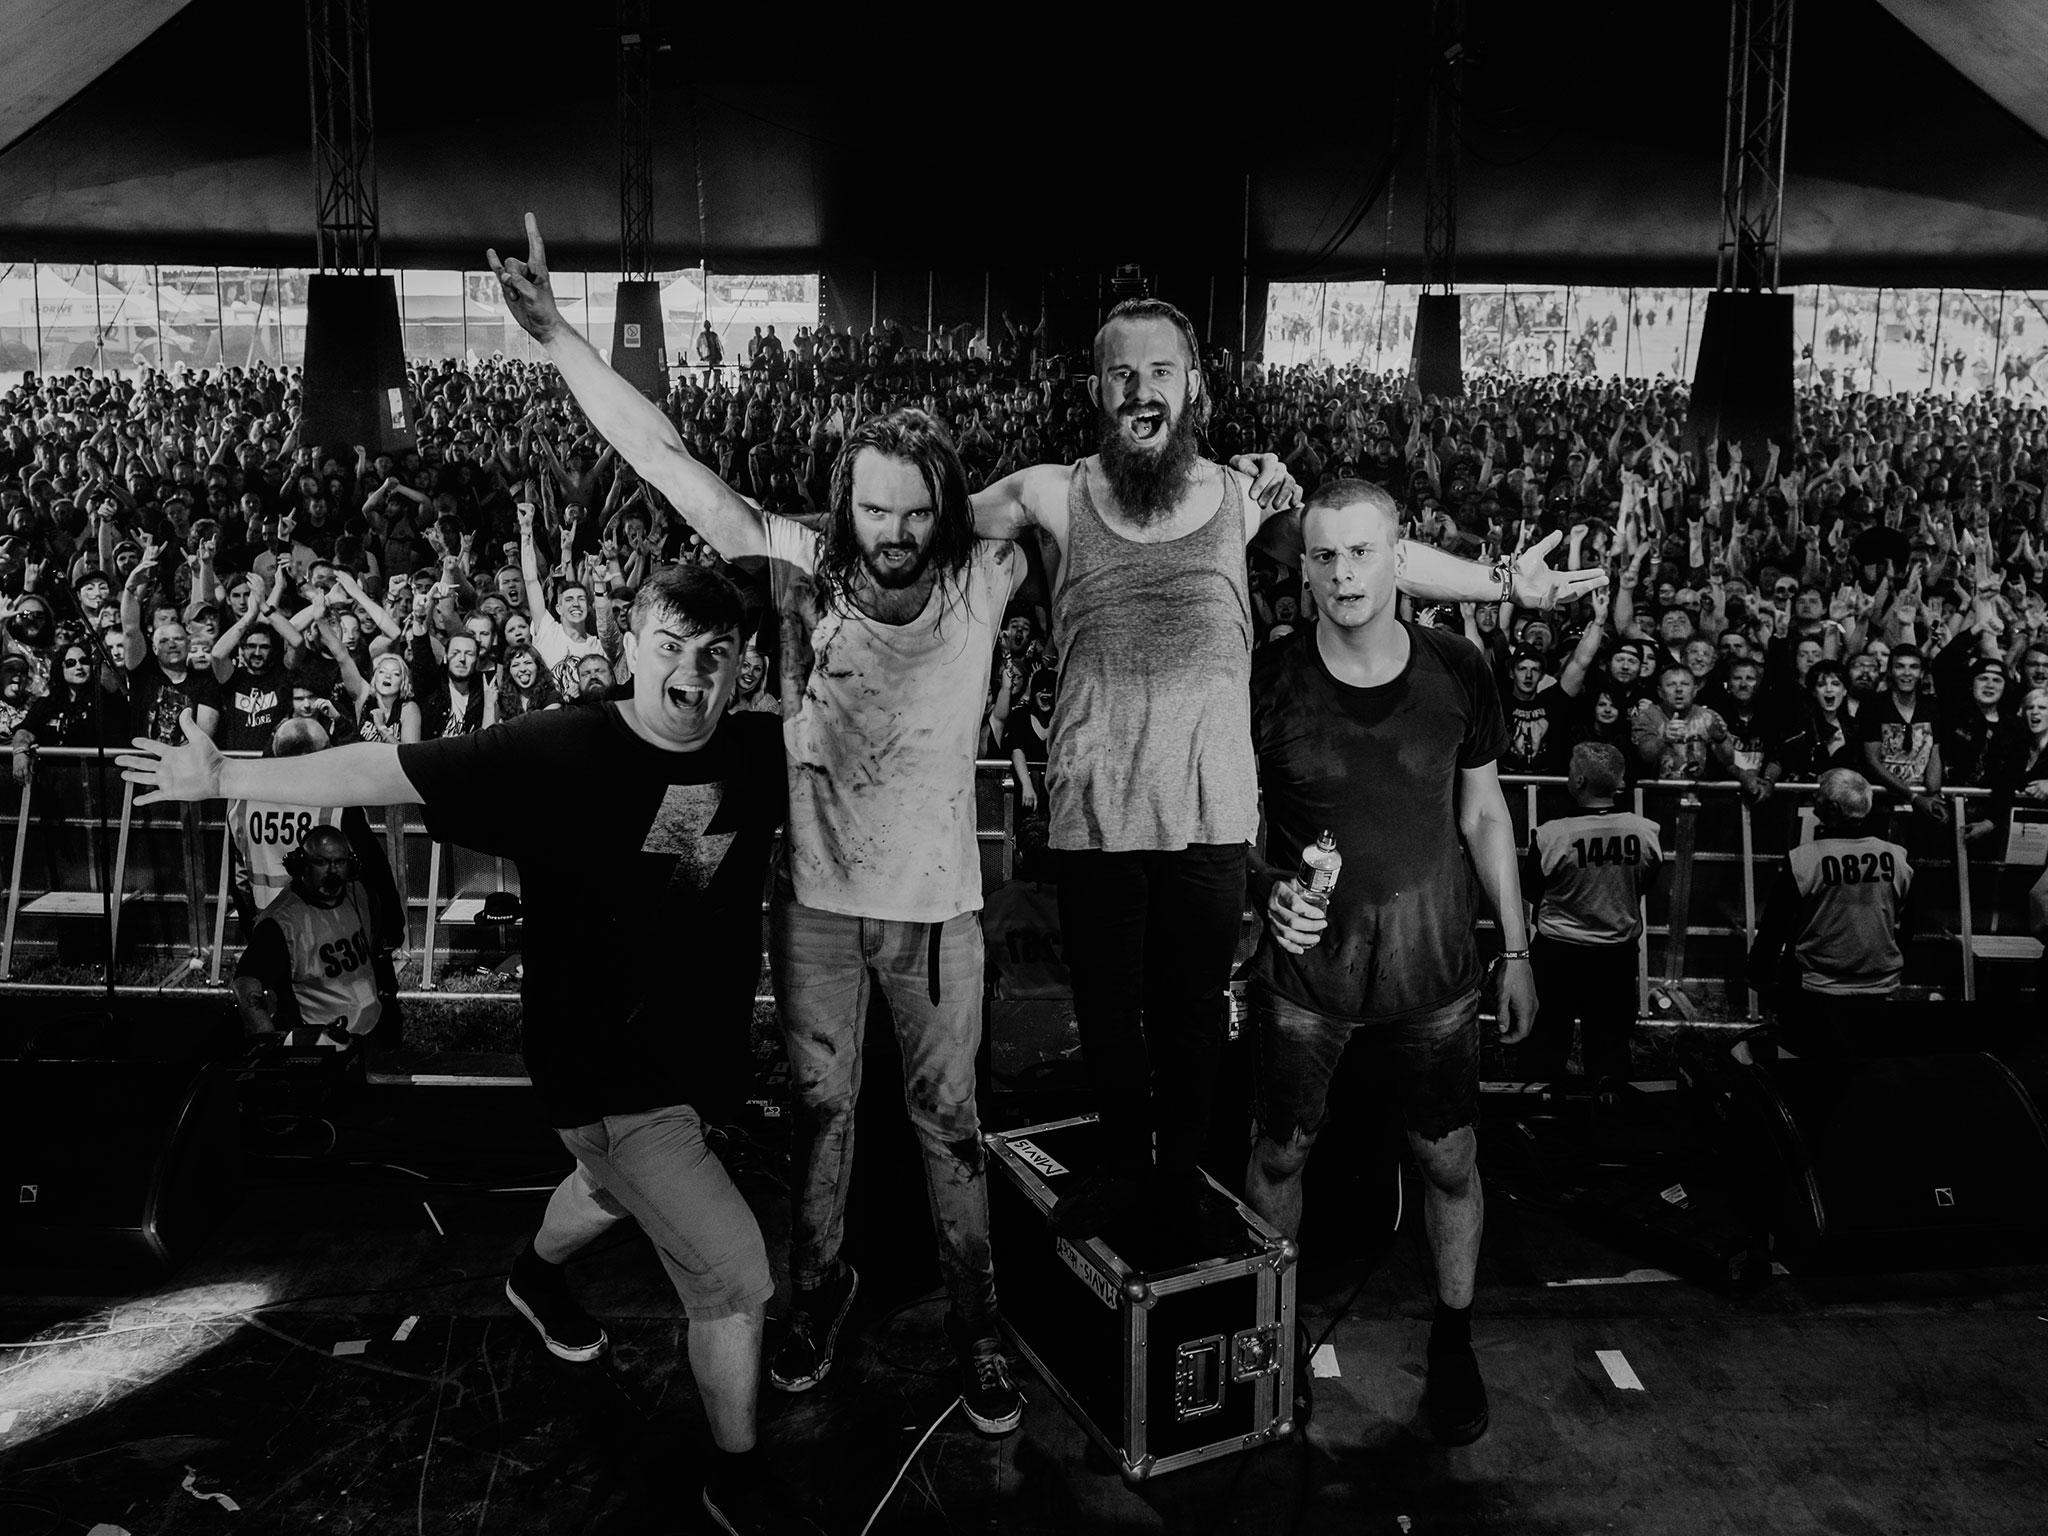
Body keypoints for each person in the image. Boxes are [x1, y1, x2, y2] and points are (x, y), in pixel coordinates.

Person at [488, 214, 1042, 1436]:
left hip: (940, 914)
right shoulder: (795, 568)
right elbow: (664, 455)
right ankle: (814, 1299)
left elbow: (1085, 495)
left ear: (942, 508)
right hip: (822, 916)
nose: (893, 534)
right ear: (845, 507)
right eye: (875, 510)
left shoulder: (982, 575)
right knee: (823, 1117)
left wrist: (1245, 487)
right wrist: (564, 340)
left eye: (913, 512)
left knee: (950, 1125)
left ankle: (976, 1324)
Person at [119, 563, 794, 1536]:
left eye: (715, 656)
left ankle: (533, 1278)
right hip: (605, 1074)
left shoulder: (752, 751)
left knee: (605, 1189)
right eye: (670, 648)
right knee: (731, 1276)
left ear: (742, 670)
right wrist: (225, 775)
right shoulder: (559, 750)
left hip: (691, 1070)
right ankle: (734, 1478)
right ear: (629, 647)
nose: (691, 673)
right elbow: (386, 771)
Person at [968, 300, 1605, 1240]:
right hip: (1093, 804)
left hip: (1209, 811)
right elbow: (922, 519)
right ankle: (1122, 1170)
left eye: (1161, 371)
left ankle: (1178, 1182)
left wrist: (1503, 581)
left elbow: (1359, 553)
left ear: (1195, 387)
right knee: (1106, 1014)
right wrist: (799, 538)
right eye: (1120, 374)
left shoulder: (1241, 498)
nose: (1142, 391)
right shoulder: (1053, 493)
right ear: (1096, 391)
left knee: (1187, 1017)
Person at [1238, 479, 1538, 1448]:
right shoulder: (1265, 679)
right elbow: (1230, 829)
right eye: (1322, 556)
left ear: (1396, 557)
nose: (1341, 574)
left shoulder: (1457, 668)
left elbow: (1484, 814)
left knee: (1447, 1158)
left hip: (1435, 978)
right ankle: (1267, 1339)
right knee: (1280, 1151)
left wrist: (1517, 947)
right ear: (1303, 567)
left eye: (1360, 553)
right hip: (1304, 983)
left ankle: (1452, 1339)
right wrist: (1261, 890)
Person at [1522, 742, 1664, 1087]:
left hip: (1559, 954)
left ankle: (1540, 1123)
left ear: (1580, 781)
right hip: (1616, 955)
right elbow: (1645, 883)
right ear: (1618, 783)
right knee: (1610, 1048)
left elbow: (1530, 891)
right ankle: (1609, 1122)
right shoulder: (1646, 832)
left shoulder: (1551, 835)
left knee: (1546, 1043)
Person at [1746, 767, 1913, 1060]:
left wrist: (1759, 975)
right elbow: (1907, 921)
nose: (1814, 798)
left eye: (1818, 796)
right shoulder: (1898, 858)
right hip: (1879, 984)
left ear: (1832, 808)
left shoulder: (1805, 859)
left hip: (1818, 986)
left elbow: (1775, 928)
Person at [231, 820, 394, 1047]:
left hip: (370, 1029)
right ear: (301, 865)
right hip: (321, 1044)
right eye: (321, 862)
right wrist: (268, 1043)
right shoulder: (281, 922)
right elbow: (246, 983)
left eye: (339, 862)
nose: (332, 871)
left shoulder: (356, 893)